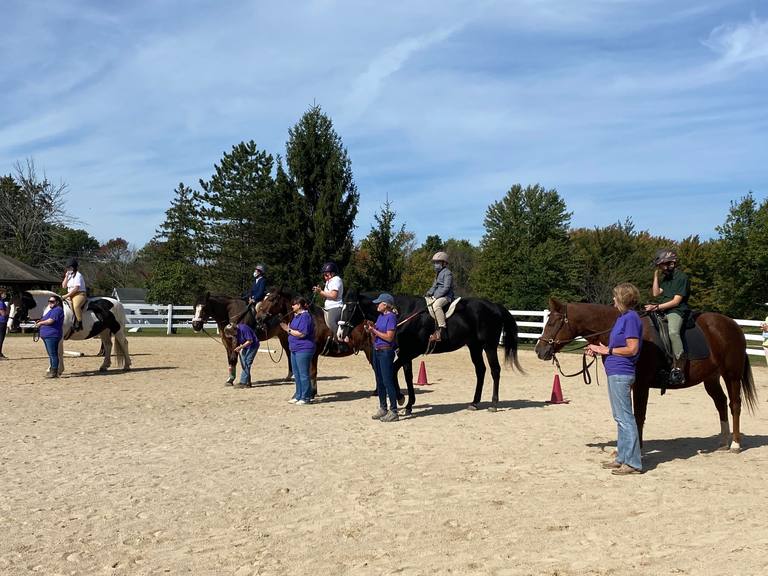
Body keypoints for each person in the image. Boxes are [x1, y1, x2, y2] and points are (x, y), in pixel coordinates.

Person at [587, 283, 644, 476]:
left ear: (622, 299)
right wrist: (598, 348)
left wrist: (606, 350)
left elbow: (632, 348)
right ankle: (622, 458)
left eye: (615, 297)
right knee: (620, 418)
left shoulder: (631, 319)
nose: (613, 300)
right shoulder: (622, 318)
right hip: (615, 371)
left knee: (626, 418)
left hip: (622, 372)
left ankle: (634, 463)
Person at [643, 248, 690, 384]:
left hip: (677, 311)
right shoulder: (666, 278)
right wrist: (656, 277)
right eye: (659, 266)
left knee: (673, 332)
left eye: (662, 265)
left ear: (672, 263)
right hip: (663, 309)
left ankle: (679, 368)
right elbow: (656, 293)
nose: (661, 268)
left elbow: (676, 301)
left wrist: (656, 307)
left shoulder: (682, 278)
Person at [365, 293, 400, 422]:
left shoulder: (391, 317)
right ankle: (383, 407)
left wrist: (374, 331)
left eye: (379, 303)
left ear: (385, 305)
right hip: (377, 350)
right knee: (379, 380)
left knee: (387, 381)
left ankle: (394, 410)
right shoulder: (380, 317)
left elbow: (389, 337)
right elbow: (377, 337)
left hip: (386, 352)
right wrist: (371, 331)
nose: (377, 305)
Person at [281, 296, 315, 405]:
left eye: (294, 304)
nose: (292, 306)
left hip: (304, 348)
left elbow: (302, 333)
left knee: (303, 374)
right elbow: (292, 330)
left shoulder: (305, 317)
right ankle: (298, 394)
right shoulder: (296, 316)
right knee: (296, 373)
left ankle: (306, 397)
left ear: (299, 305)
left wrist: (288, 329)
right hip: (294, 348)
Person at [312, 262, 346, 350]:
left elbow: (333, 295)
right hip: (328, 307)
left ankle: (341, 341)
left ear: (332, 273)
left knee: (331, 322)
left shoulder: (336, 280)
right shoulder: (329, 282)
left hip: (335, 306)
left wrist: (320, 292)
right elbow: (326, 295)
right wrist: (319, 291)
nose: (325, 277)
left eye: (326, 274)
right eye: (324, 275)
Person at [425, 251, 454, 342]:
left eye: (437, 262)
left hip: (446, 296)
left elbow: (446, 288)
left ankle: (441, 330)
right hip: (437, 295)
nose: (435, 265)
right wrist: (428, 293)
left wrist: (436, 296)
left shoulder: (447, 273)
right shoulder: (438, 274)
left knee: (436, 305)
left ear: (444, 263)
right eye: (435, 263)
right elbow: (434, 286)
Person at [35, 295, 65, 379]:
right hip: (47, 335)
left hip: (52, 335)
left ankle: (54, 371)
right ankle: (53, 370)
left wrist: (40, 323)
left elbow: (50, 321)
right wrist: (40, 321)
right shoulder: (51, 310)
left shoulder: (58, 310)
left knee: (53, 354)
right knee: (51, 354)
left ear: (57, 302)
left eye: (52, 301)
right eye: (49, 301)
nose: (50, 303)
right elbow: (46, 319)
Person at [224, 320, 259, 388]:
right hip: (245, 347)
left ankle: (243, 382)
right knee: (243, 363)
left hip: (252, 346)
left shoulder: (244, 329)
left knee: (247, 363)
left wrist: (240, 347)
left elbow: (250, 340)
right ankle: (248, 382)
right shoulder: (235, 332)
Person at [62, 257, 87, 332]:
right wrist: (66, 277)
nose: (68, 269)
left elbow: (76, 288)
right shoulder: (69, 276)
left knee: (76, 306)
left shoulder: (78, 275)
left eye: (70, 267)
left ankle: (80, 324)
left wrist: (66, 296)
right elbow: (64, 286)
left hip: (79, 294)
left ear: (74, 267)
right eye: (67, 267)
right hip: (70, 294)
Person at [0, 288, 8, 359]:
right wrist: (8, 313)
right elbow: (2, 313)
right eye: (3, 293)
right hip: (2, 322)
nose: (4, 294)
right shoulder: (1, 302)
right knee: (1, 338)